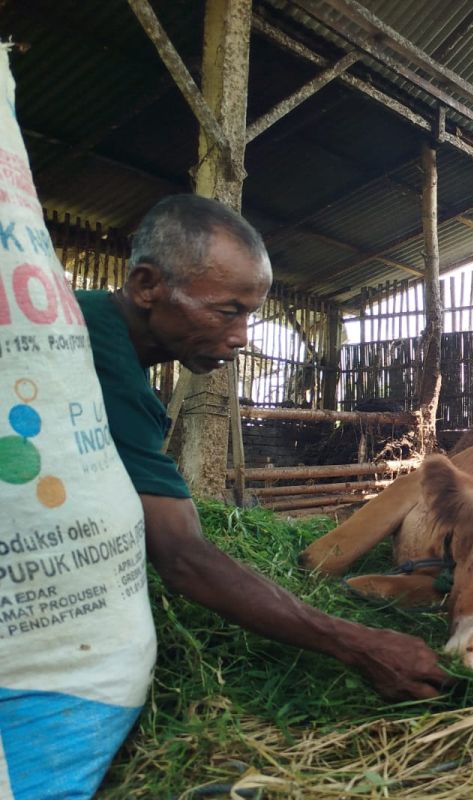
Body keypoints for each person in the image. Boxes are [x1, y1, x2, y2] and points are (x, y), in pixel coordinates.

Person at [76, 194, 450, 701]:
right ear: (147, 286)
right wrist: (357, 643)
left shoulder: (101, 336)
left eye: (248, 315)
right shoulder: (91, 353)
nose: (240, 337)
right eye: (227, 312)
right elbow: (182, 555)